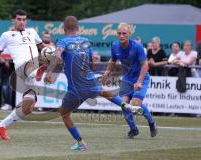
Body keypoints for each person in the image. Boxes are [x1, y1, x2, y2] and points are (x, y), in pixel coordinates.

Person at [44, 16, 139, 151]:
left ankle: (80, 142)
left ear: (64, 29)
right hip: (90, 80)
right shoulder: (86, 41)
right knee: (101, 91)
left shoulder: (62, 41)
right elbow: (92, 62)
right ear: (78, 28)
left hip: (75, 88)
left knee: (64, 114)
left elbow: (58, 55)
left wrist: (49, 72)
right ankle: (124, 105)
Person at [0, 9, 45, 140]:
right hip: (23, 68)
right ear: (13, 20)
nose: (22, 22)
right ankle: (39, 72)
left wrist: (51, 52)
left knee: (27, 107)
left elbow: (42, 47)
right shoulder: (6, 35)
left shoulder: (32, 32)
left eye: (24, 19)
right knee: (34, 67)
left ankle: (1, 126)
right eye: (19, 19)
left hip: (32, 70)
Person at [102, 23, 158, 139]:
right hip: (127, 78)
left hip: (141, 77)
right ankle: (133, 129)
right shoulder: (115, 45)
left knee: (136, 104)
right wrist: (107, 73)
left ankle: (151, 122)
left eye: (124, 33)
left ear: (129, 34)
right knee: (124, 105)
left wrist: (139, 81)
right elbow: (113, 60)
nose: (121, 36)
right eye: (119, 33)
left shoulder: (137, 46)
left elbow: (145, 65)